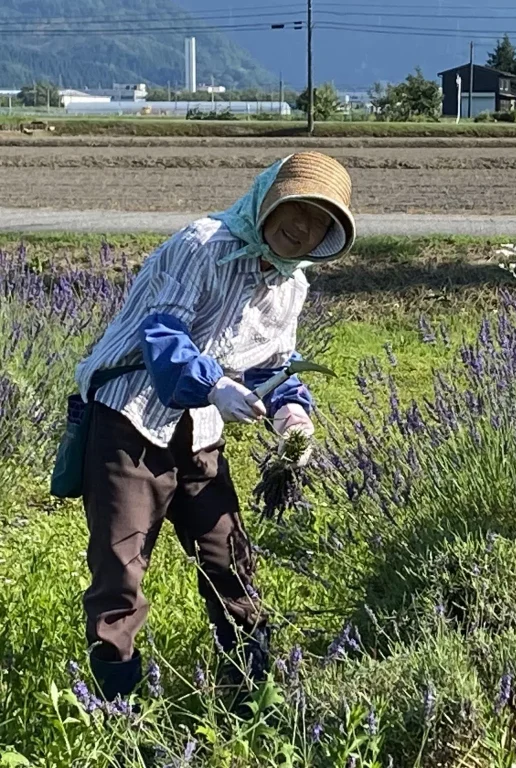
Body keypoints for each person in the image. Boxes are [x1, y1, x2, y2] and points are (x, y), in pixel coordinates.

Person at [70, 151, 356, 702]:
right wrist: (213, 384)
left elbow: (276, 368)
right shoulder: (204, 245)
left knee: (230, 559)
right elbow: (163, 336)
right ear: (269, 199)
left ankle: (251, 693)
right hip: (131, 420)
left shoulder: (291, 285)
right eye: (296, 208)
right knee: (120, 570)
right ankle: (115, 712)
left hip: (199, 431)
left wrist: (292, 413)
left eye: (320, 221)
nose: (302, 228)